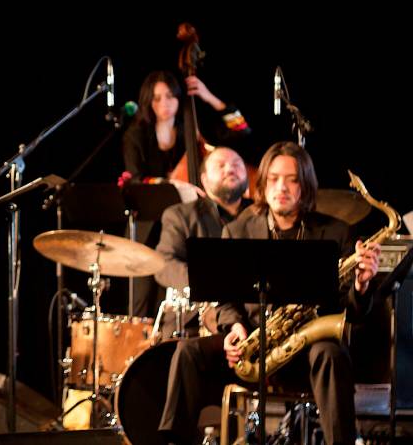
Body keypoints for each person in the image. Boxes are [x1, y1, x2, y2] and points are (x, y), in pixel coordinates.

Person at [159, 141, 380, 445]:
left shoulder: (337, 232)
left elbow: (352, 312)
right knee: (186, 352)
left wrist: (361, 285)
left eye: (292, 179)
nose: (282, 187)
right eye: (274, 179)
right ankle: (173, 441)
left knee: (331, 353)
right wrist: (233, 327)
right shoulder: (237, 230)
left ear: (306, 185)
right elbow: (226, 299)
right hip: (252, 342)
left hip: (306, 351)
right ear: (262, 184)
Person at [121, 70, 250, 317]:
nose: (164, 104)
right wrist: (175, 187)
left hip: (187, 225)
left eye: (170, 96)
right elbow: (135, 179)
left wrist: (208, 96)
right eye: (157, 98)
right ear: (148, 101)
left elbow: (241, 130)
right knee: (140, 303)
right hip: (147, 227)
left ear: (179, 99)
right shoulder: (135, 135)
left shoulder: (191, 132)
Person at [153, 146, 251, 340]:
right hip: (192, 319)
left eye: (237, 164)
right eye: (221, 165)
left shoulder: (260, 215)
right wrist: (210, 287)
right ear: (204, 180)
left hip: (249, 313)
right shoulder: (180, 215)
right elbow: (164, 263)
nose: (230, 169)